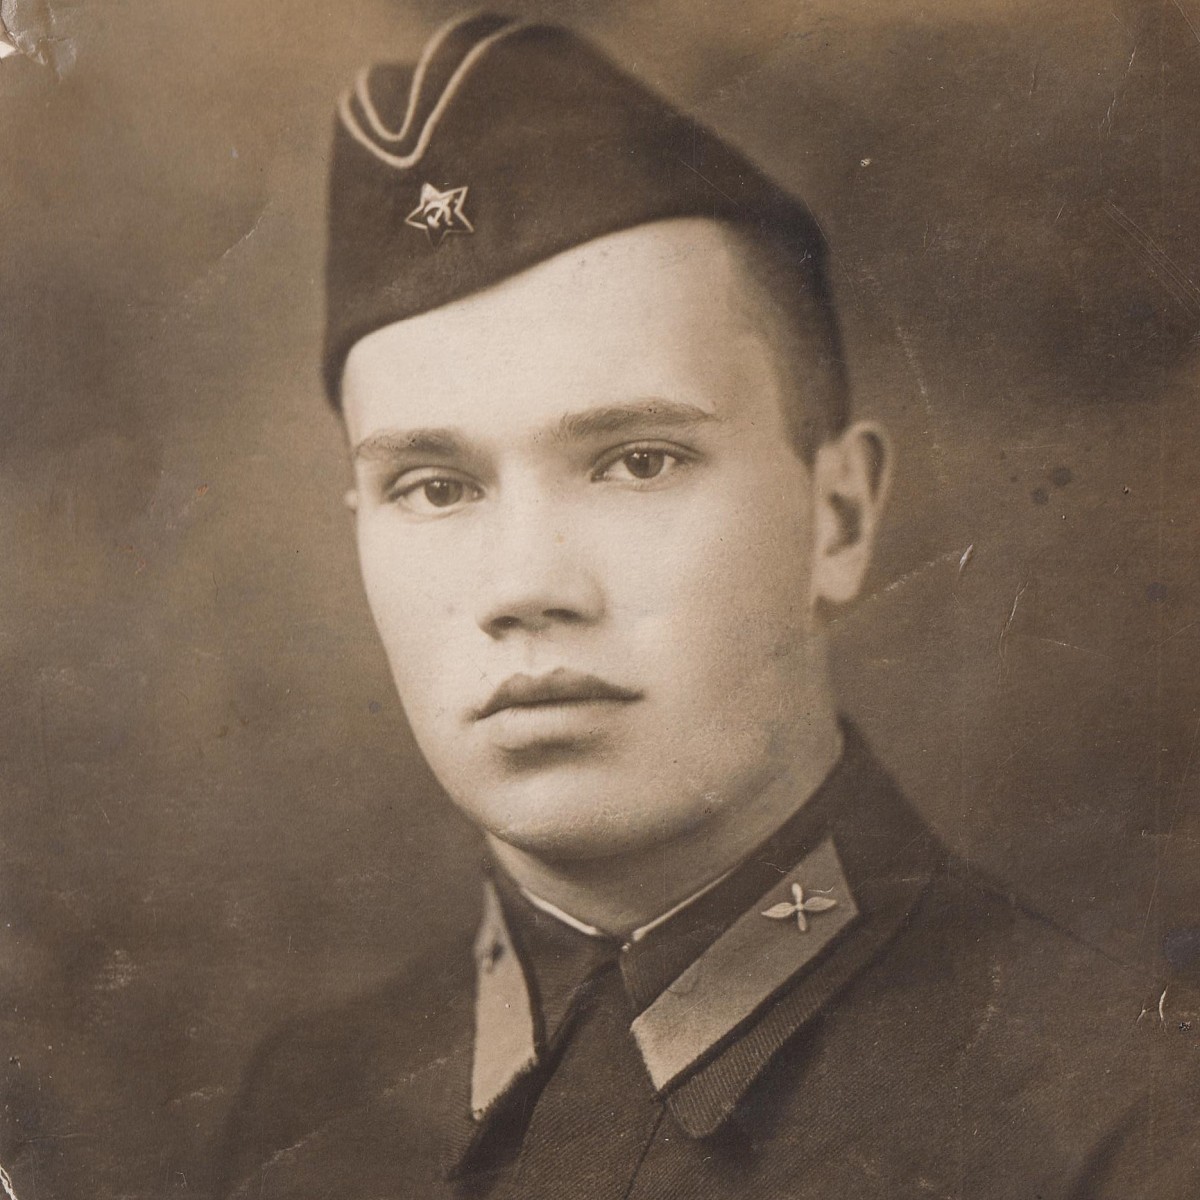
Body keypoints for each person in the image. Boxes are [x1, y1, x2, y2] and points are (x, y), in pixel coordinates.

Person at [214, 13, 1198, 1199]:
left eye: (639, 461)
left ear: (838, 517)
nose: (528, 586)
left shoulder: (1125, 1118)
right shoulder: (306, 1110)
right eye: (434, 486)